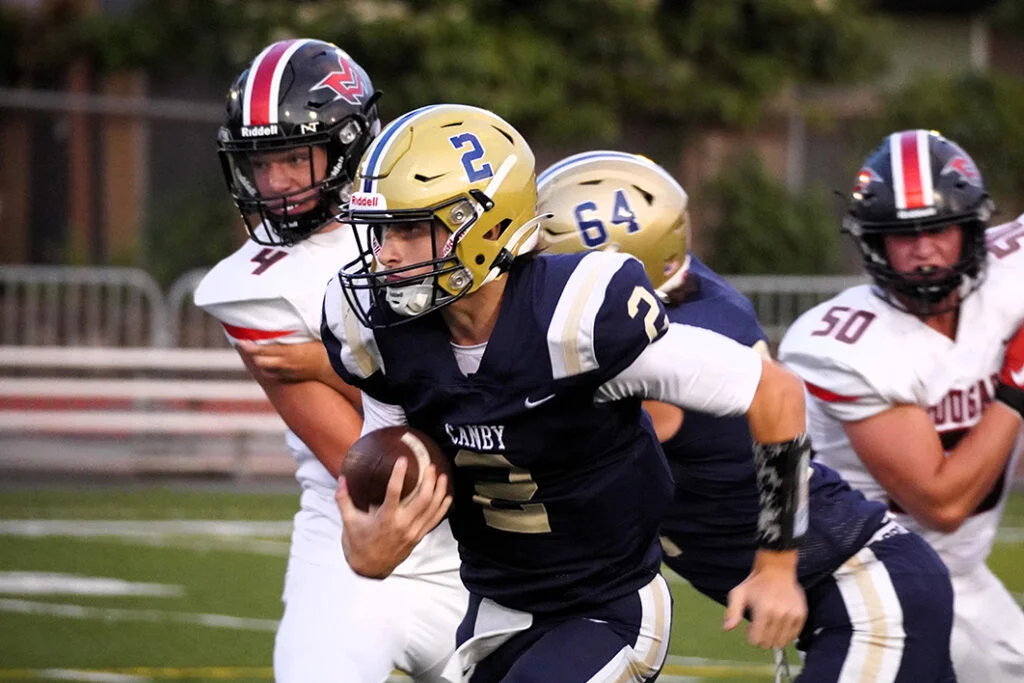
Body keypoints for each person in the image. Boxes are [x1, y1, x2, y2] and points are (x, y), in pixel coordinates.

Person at [320, 103, 812, 683]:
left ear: (487, 226)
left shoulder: (576, 318)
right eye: (380, 231)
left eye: (409, 229)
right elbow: (395, 462)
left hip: (611, 608)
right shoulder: (380, 332)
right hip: (492, 609)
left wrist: (778, 563)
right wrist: (369, 550)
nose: (385, 255)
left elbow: (776, 393)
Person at [536, 150, 957, 682]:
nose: (530, 279)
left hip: (868, 594)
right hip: (862, 591)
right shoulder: (685, 293)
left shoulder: (656, 360)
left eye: (542, 261)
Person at [192, 39, 467, 683]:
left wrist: (326, 363)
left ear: (348, 146)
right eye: (262, 163)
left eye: (294, 156)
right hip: (352, 538)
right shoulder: (255, 284)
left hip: (487, 545)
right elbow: (374, 459)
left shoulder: (429, 220)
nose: (277, 183)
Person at [779, 129, 1024, 682]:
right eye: (901, 236)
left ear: (970, 228)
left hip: (962, 570)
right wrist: (1015, 386)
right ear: (872, 242)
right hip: (876, 571)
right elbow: (942, 501)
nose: (923, 251)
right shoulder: (843, 344)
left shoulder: (1010, 276)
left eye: (937, 229)